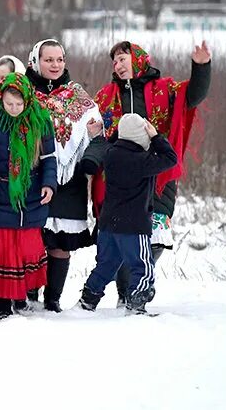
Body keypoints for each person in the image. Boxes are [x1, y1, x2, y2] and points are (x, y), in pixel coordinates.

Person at [93, 40, 211, 300]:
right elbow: (92, 131)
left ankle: (139, 285)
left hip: (157, 172)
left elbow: (193, 96)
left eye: (123, 58)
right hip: (121, 178)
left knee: (154, 235)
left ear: (138, 58)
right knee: (123, 234)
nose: (118, 64)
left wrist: (201, 67)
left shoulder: (164, 88)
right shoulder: (105, 96)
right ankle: (127, 293)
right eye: (114, 61)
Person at [0, 73, 56, 321]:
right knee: (3, 252)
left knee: (26, 250)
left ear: (27, 100)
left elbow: (49, 158)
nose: (14, 109)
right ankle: (2, 306)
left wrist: (49, 183)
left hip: (31, 196)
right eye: (9, 104)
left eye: (19, 104)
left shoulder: (41, 121)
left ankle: (21, 296)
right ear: (0, 98)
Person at [25, 39, 102, 312]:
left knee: (61, 243)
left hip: (71, 177)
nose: (55, 65)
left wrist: (92, 135)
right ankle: (28, 295)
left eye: (59, 59)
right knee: (33, 237)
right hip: (33, 175)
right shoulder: (24, 93)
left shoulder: (77, 96)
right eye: (48, 60)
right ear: (36, 61)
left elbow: (96, 127)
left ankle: (53, 299)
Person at [80, 113, 178, 314]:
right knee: (142, 265)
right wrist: (156, 136)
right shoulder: (143, 161)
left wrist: (121, 131)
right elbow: (171, 159)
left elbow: (115, 141)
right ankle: (135, 305)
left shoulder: (110, 154)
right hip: (133, 226)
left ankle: (87, 300)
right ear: (142, 137)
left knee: (106, 265)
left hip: (108, 224)